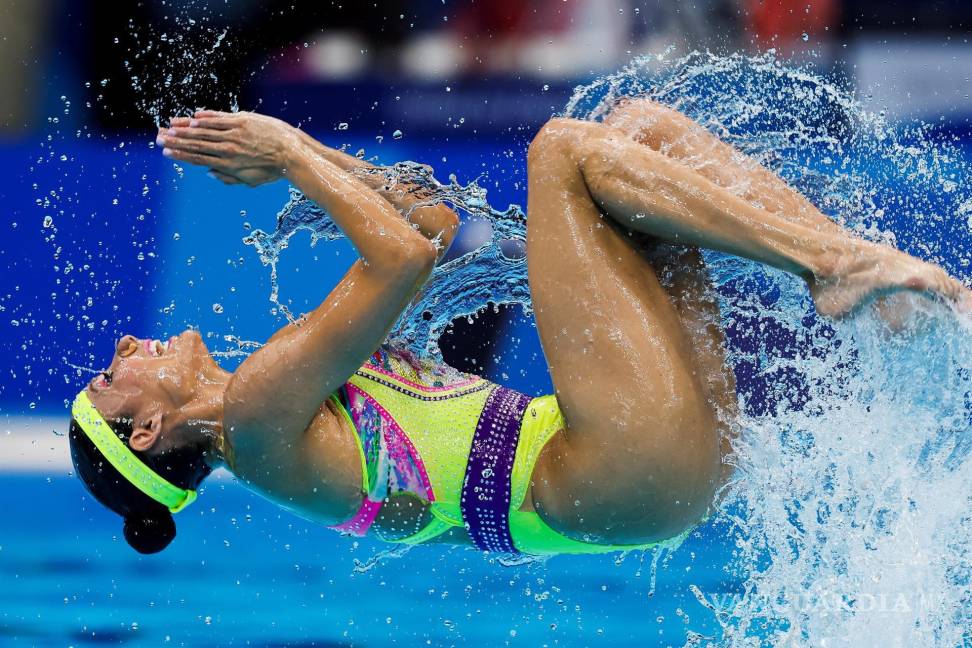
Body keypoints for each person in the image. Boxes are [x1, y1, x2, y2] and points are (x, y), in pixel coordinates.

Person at [68, 101, 971, 555]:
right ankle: (836, 268)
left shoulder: (273, 404)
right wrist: (292, 152)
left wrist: (307, 158)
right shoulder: (258, 420)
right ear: (147, 432)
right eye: (110, 383)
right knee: (562, 150)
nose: (119, 353)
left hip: (643, 481)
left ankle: (855, 271)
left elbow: (424, 222)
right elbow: (402, 260)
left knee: (639, 128)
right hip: (613, 474)